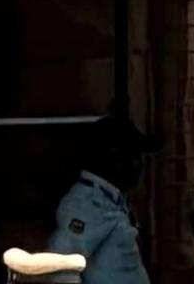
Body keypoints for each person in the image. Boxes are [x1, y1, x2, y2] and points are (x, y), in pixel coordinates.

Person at [51, 116, 152, 284]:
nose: (140, 165)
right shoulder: (87, 204)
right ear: (115, 159)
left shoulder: (109, 198)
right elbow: (60, 268)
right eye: (134, 156)